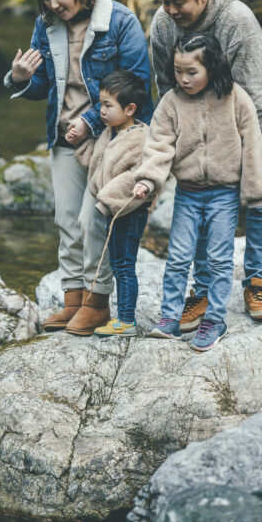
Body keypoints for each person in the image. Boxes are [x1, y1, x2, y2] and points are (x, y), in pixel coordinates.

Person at [5, 0, 154, 336]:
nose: (53, 5)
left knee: (94, 219)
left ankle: (96, 301)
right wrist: (20, 77)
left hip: (110, 138)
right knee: (67, 221)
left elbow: (136, 82)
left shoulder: (119, 21)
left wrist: (90, 122)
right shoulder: (47, 25)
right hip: (63, 135)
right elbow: (44, 86)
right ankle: (72, 299)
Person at [149, 0, 262, 323]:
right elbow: (166, 90)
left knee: (261, 197)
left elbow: (254, 95)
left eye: (178, 3)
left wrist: (255, 161)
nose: (170, 10)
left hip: (254, 117)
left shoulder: (237, 21)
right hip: (195, 122)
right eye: (165, 1)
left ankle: (257, 282)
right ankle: (204, 290)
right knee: (202, 202)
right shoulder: (162, 26)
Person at [133, 33, 262, 351]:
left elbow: (252, 146)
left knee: (220, 260)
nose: (183, 78)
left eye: (191, 72)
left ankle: (214, 319)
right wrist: (149, 179)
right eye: (178, 71)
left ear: (211, 66)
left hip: (224, 194)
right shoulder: (171, 103)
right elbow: (158, 145)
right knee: (179, 258)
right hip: (187, 193)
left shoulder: (235, 98)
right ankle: (169, 318)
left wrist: (255, 191)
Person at [74, 69, 151, 338]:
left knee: (123, 265)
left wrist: (107, 200)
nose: (101, 111)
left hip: (128, 212)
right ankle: (121, 317)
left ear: (130, 109)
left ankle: (126, 319)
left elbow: (136, 177)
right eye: (100, 104)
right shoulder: (109, 132)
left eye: (108, 105)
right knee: (117, 262)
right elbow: (95, 161)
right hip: (113, 212)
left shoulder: (140, 137)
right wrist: (79, 143)